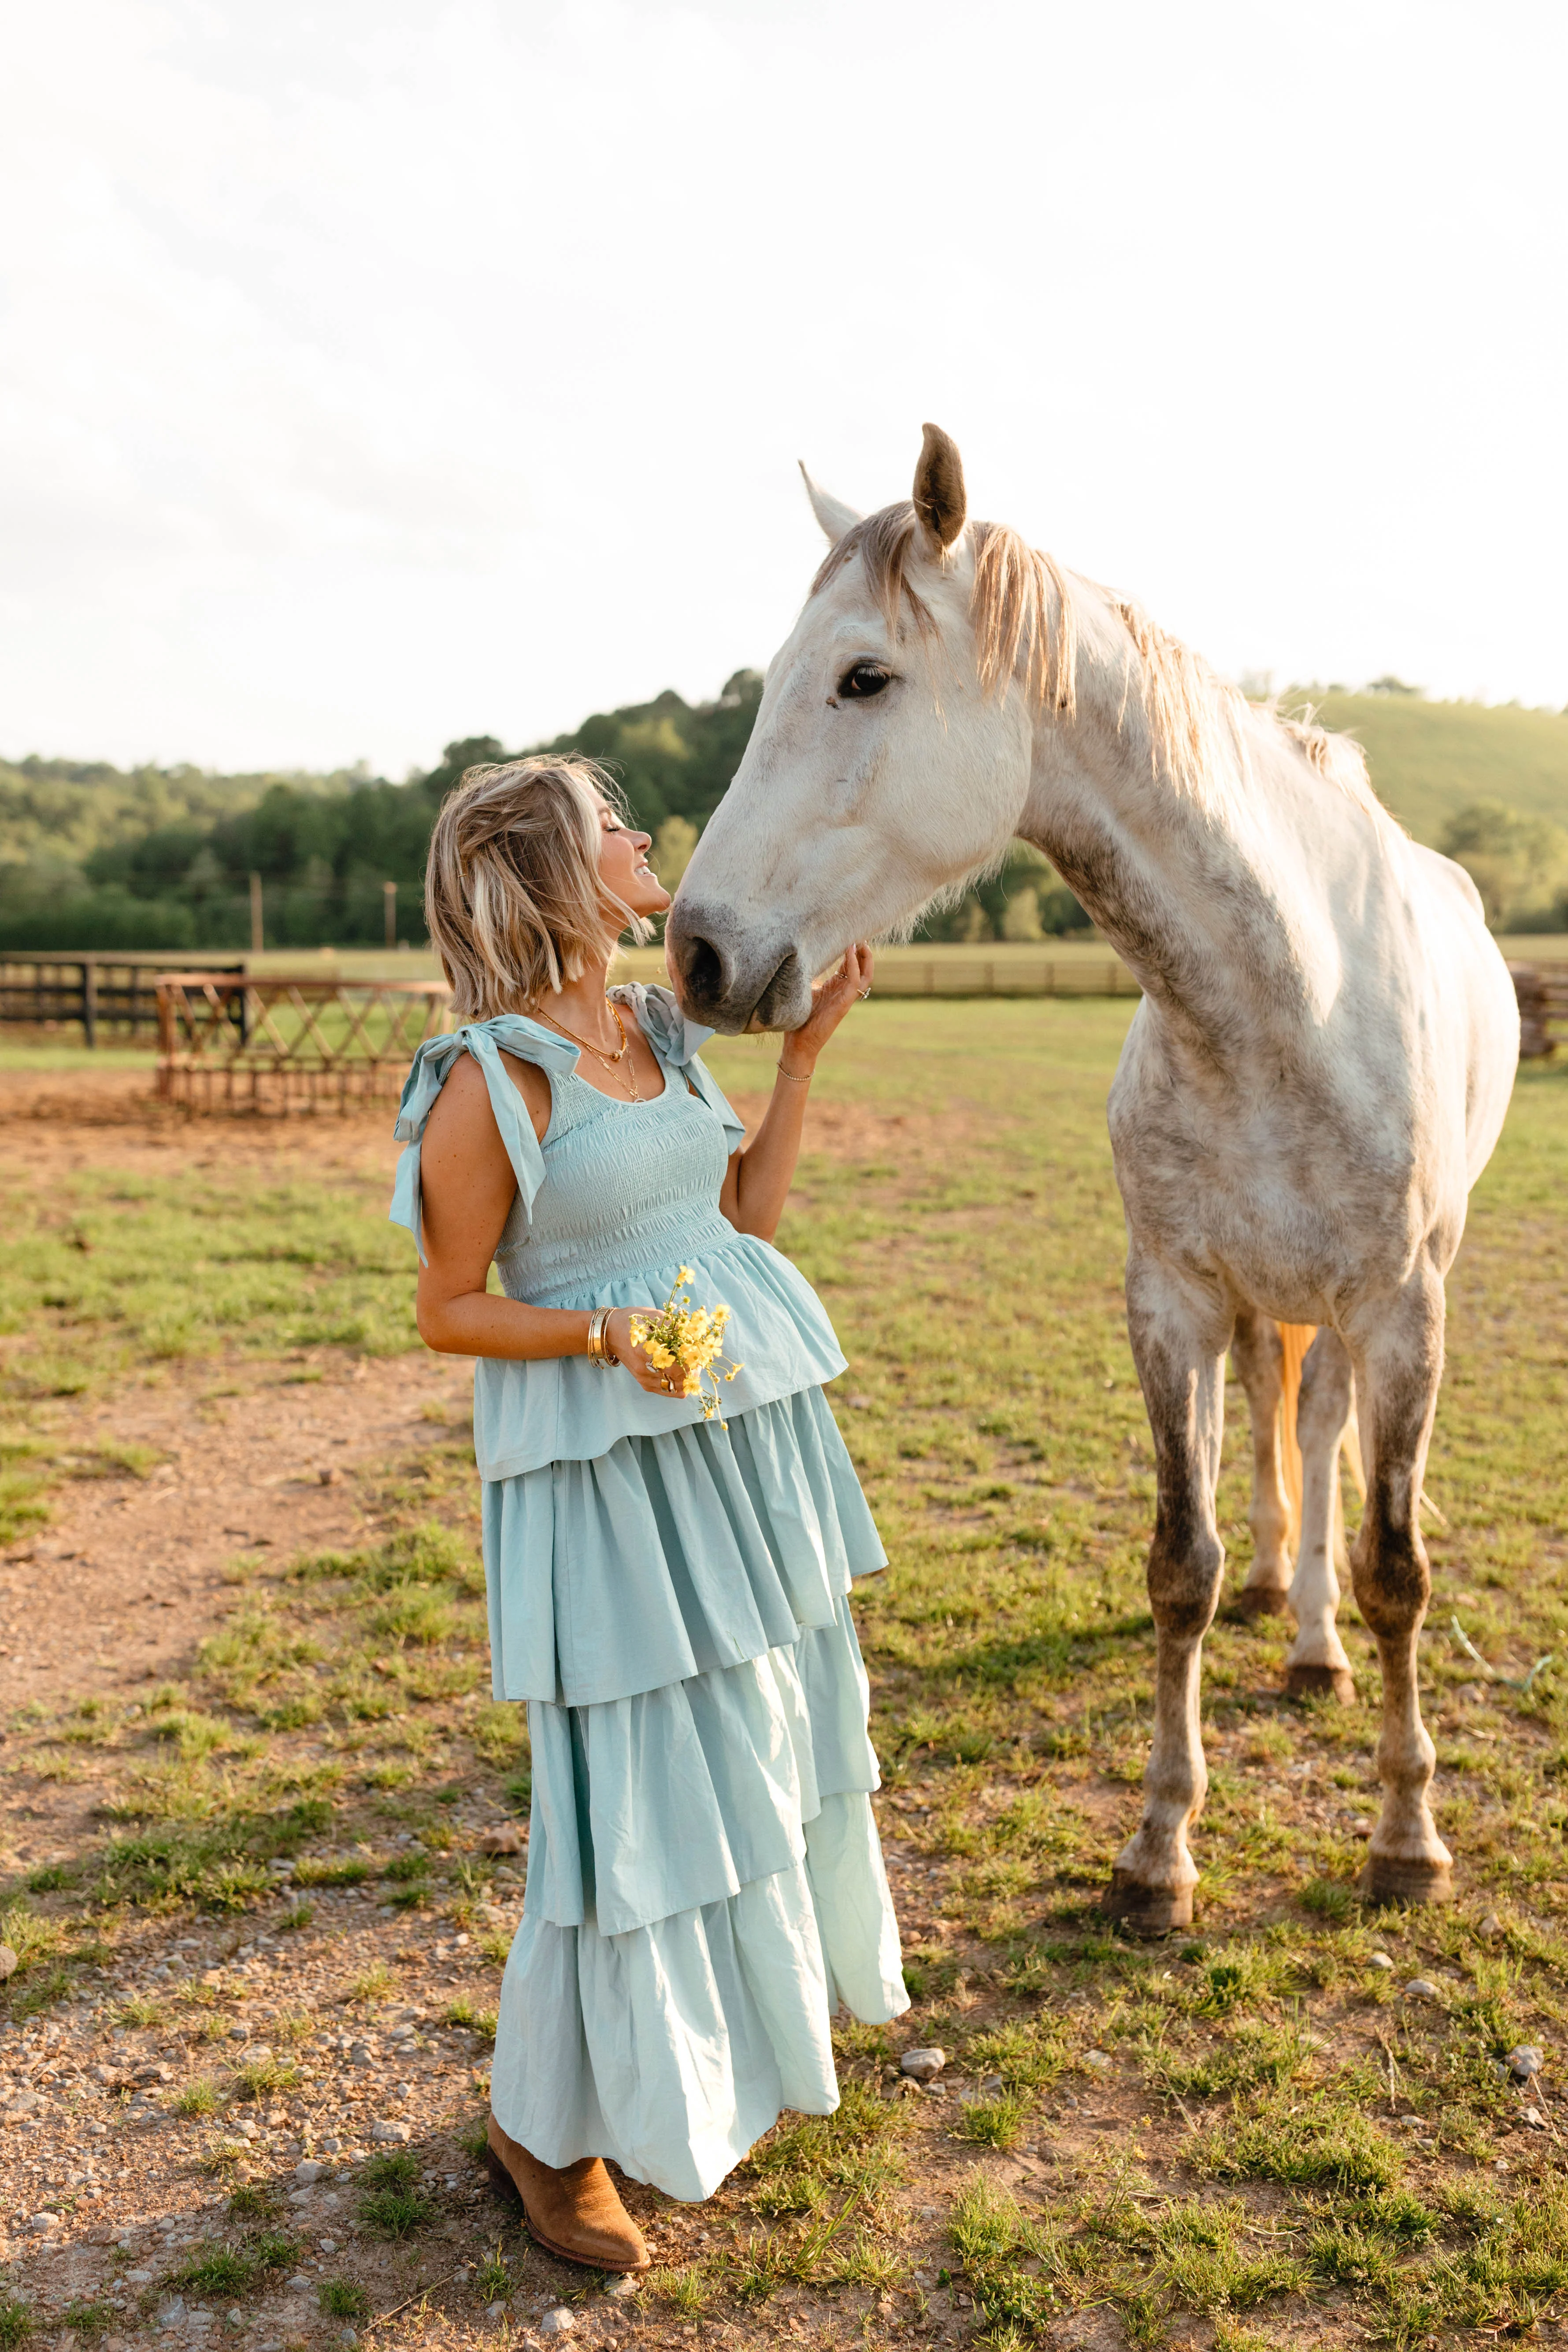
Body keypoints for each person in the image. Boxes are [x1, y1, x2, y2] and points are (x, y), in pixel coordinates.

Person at [389, 754, 907, 2270]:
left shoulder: (660, 1027)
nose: (642, 839)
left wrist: (801, 1063)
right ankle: (549, 2130)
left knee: (754, 1737)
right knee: (628, 1789)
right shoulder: (489, 1078)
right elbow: (446, 1307)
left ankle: (705, 2062)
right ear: (548, 870)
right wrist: (602, 1336)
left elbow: (739, 1218)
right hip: (608, 1466)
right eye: (609, 825)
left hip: (739, 1430)